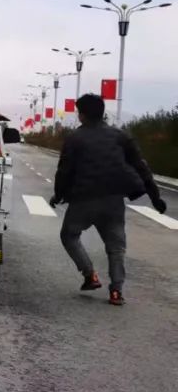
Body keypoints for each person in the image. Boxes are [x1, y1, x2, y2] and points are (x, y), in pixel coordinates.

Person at [50, 93, 167, 306]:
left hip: (83, 201)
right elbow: (141, 167)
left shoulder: (75, 138)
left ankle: (90, 275)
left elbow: (64, 172)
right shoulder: (120, 136)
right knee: (116, 247)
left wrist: (58, 195)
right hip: (113, 201)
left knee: (69, 235)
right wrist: (155, 197)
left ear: (82, 114)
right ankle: (116, 292)